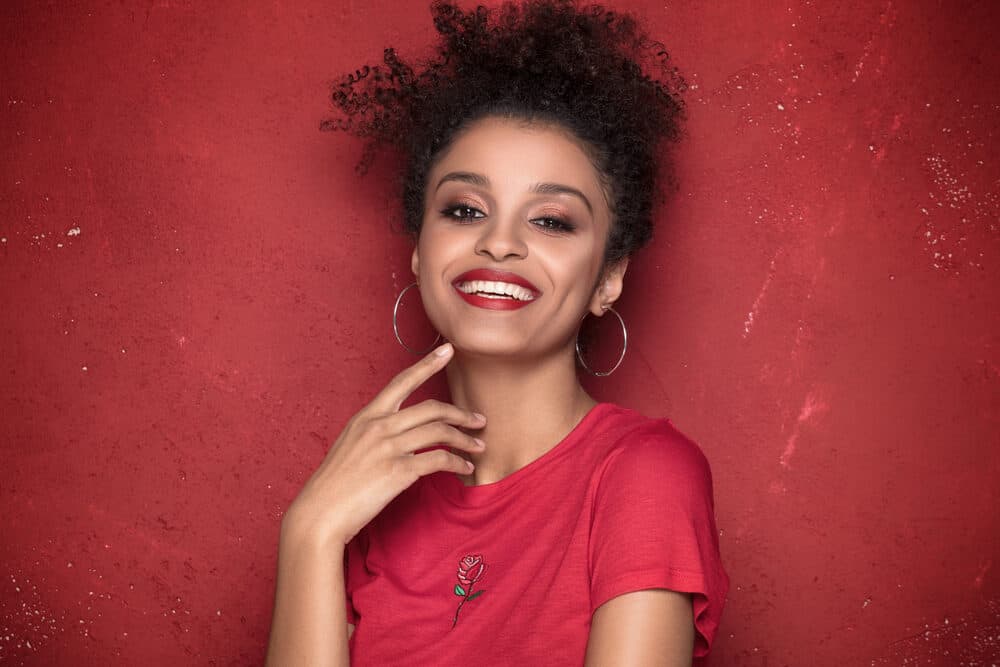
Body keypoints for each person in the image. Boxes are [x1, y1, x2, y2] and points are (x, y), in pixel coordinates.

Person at [266, 1, 728, 664]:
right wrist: (308, 533)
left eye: (551, 221)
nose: (499, 242)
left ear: (607, 279)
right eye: (464, 209)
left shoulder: (643, 475)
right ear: (422, 251)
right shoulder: (365, 498)